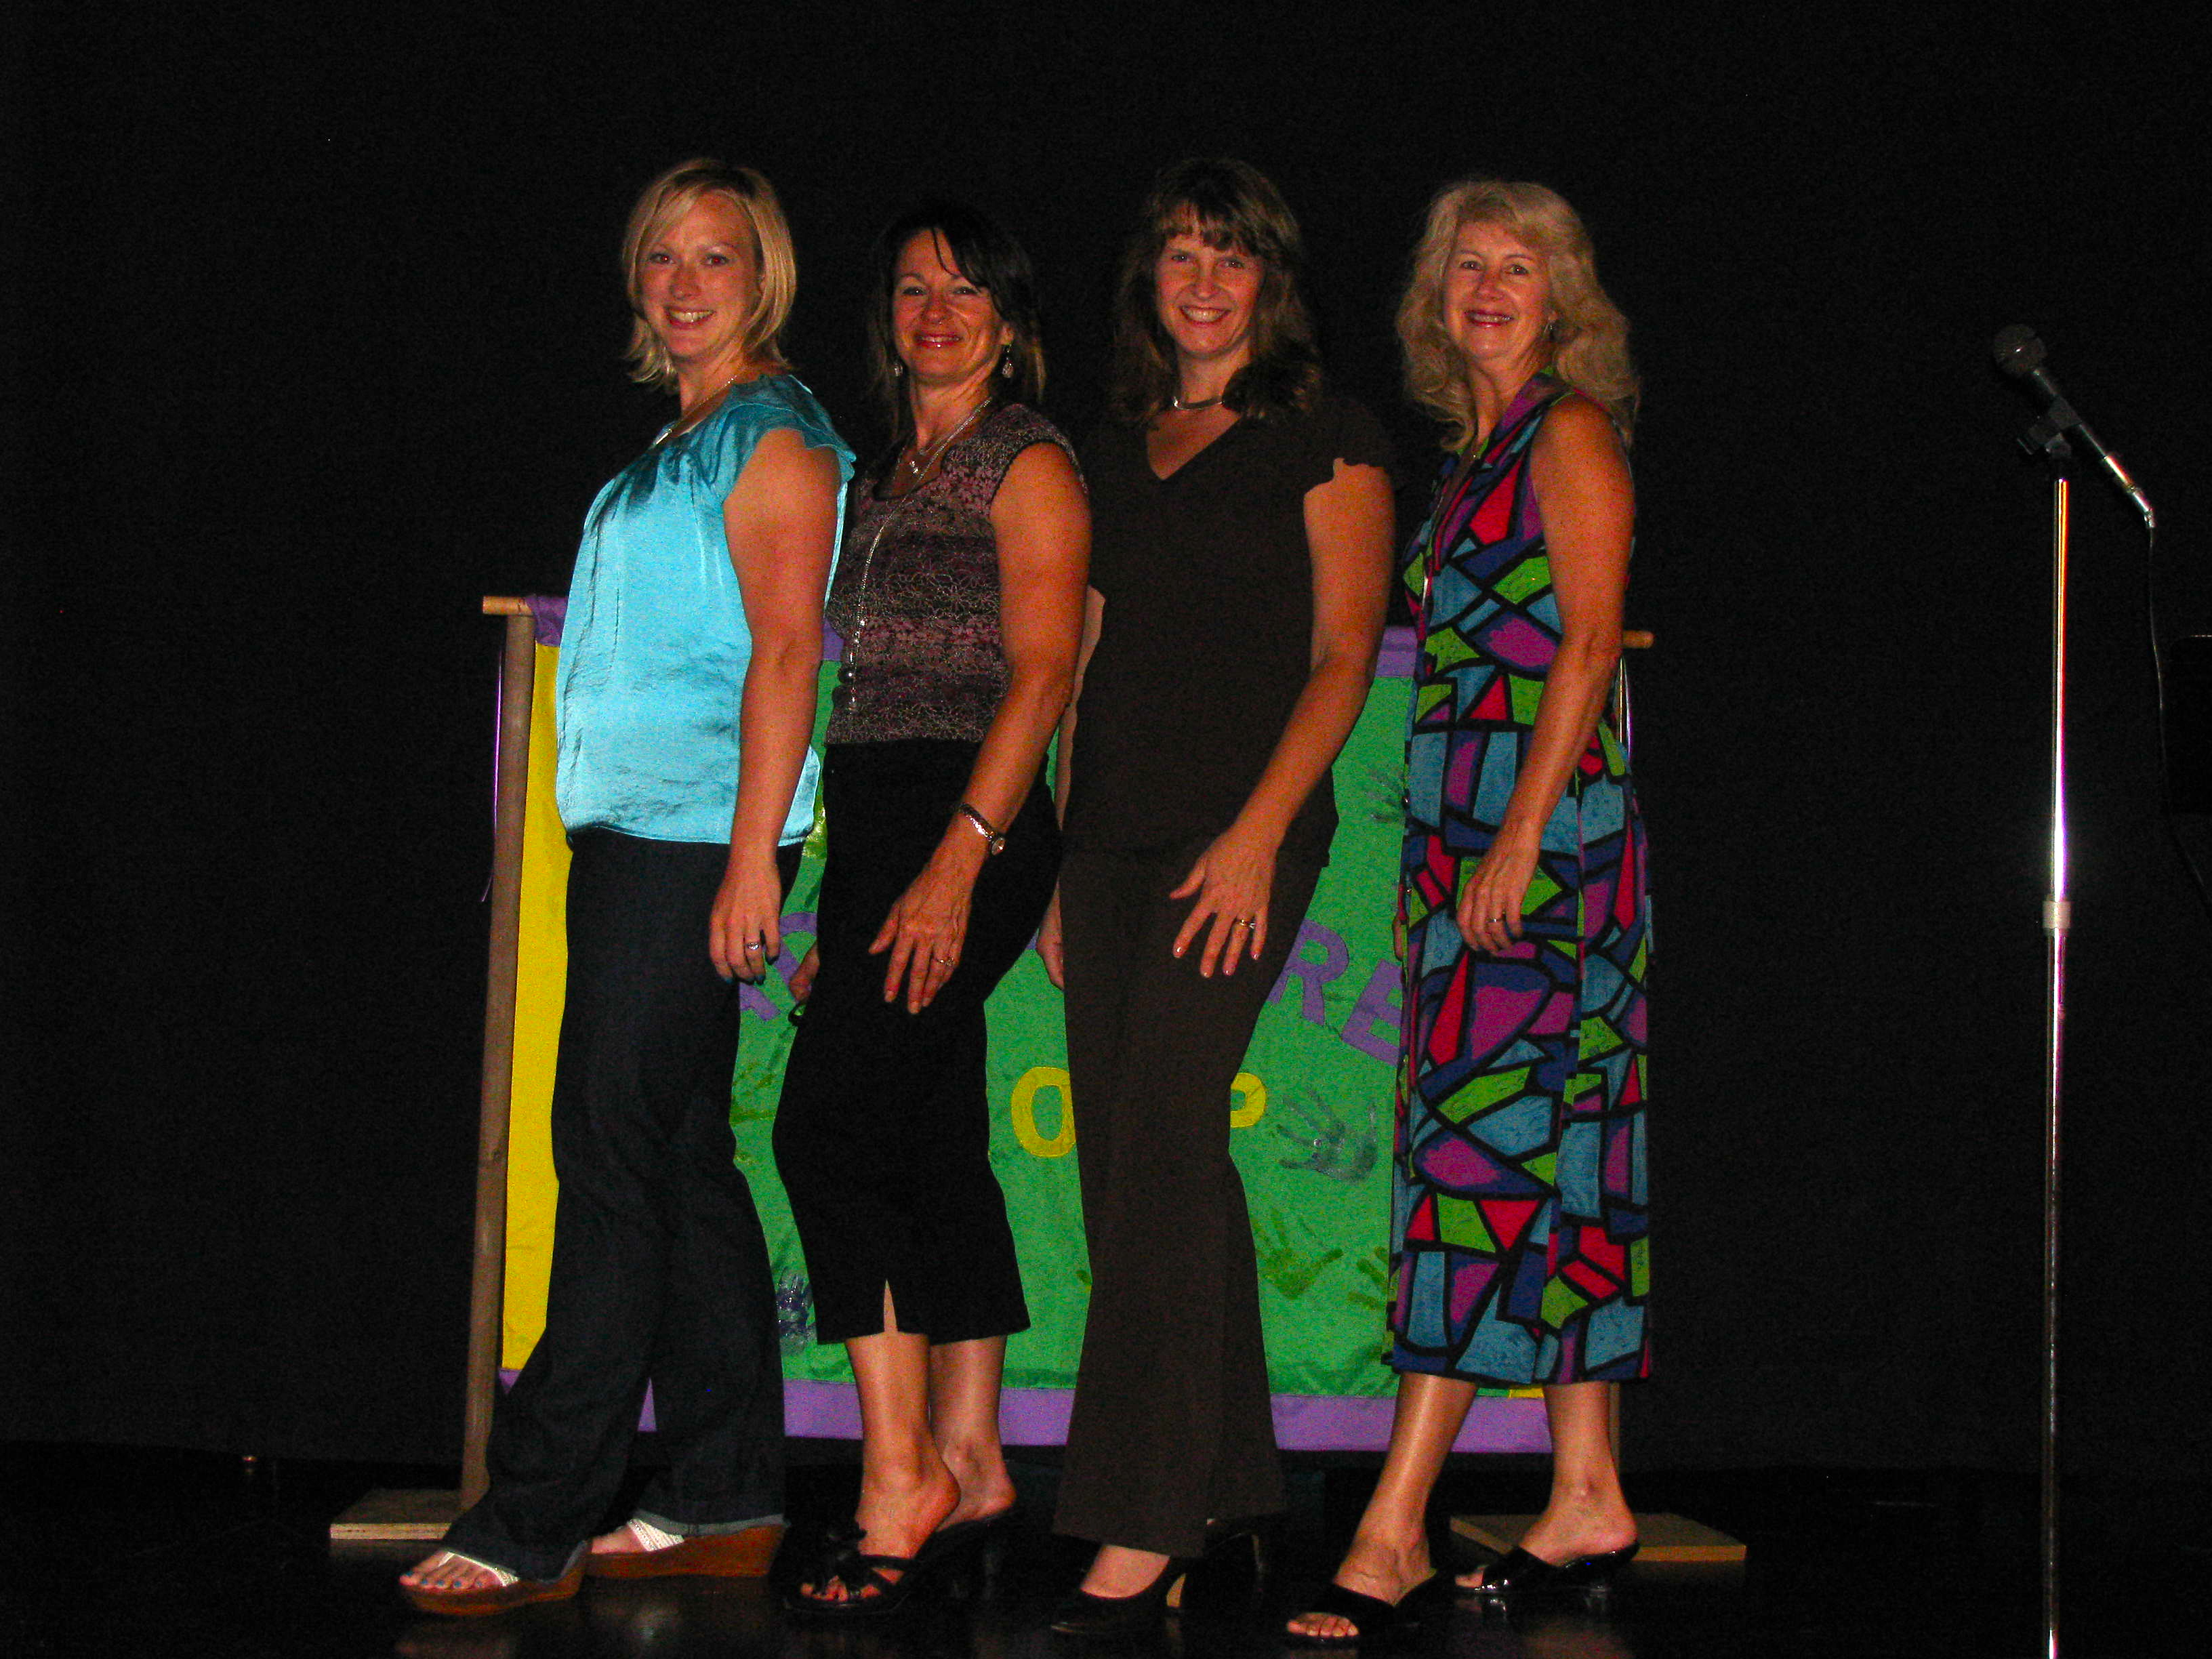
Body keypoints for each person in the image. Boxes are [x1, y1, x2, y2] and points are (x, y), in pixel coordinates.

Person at [400, 159, 852, 1616]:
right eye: (663, 256)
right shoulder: (687, 437)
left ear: (763, 274)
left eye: (715, 257)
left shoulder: (775, 437)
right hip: (644, 836)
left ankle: (537, 1512)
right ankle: (725, 1487)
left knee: (604, 1151)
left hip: (695, 839)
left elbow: (791, 652)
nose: (684, 283)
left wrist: (751, 856)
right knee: (674, 1161)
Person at [1287, 178, 1648, 1647]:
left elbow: (1587, 647)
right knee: (1560, 1164)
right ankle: (1588, 1492)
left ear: (1563, 300)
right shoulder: (1474, 456)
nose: (1489, 288)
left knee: (1469, 1170)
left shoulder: (1568, 432)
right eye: (1467, 267)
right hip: (1479, 856)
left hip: (1546, 852)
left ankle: (1390, 1530)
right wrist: (1438, 876)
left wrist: (1513, 843)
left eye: (1520, 268)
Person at [1043, 157, 1395, 1639]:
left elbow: (1345, 655)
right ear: (1151, 276)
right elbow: (1079, 665)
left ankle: (1145, 1517)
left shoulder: (1329, 435)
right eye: (1182, 253)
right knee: (1129, 1170)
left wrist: (1255, 836)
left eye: (1231, 256)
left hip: (1238, 839)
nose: (1203, 280)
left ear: (1272, 283)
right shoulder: (1110, 445)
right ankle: (1234, 1482)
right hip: (1110, 847)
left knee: (1165, 1146)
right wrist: (1060, 863)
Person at [770, 203, 1089, 1617]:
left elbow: (1044, 673)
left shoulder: (1030, 460)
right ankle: (975, 1457)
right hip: (882, 821)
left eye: (966, 290)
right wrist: (851, 899)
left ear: (1009, 322)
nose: (938, 310)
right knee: (927, 1133)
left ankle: (896, 1477)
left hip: (973, 814)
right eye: (914, 288)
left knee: (826, 1130)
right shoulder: (879, 471)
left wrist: (963, 858)